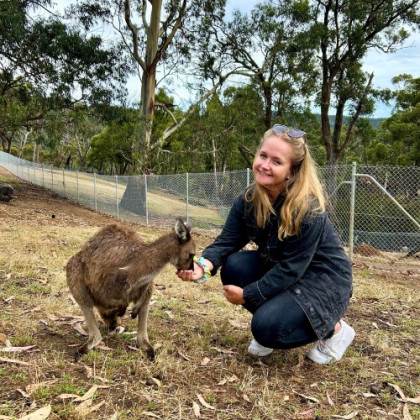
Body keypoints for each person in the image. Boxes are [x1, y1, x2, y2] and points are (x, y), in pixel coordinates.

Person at [177, 124, 355, 364]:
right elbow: (227, 242)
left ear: (292, 171)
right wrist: (202, 266)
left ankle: (334, 330)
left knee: (267, 329)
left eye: (276, 161)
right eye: (263, 156)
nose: (265, 165)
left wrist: (249, 295)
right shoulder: (250, 199)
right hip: (285, 271)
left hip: (322, 281)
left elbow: (292, 269)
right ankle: (277, 313)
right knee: (234, 266)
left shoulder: (308, 210)